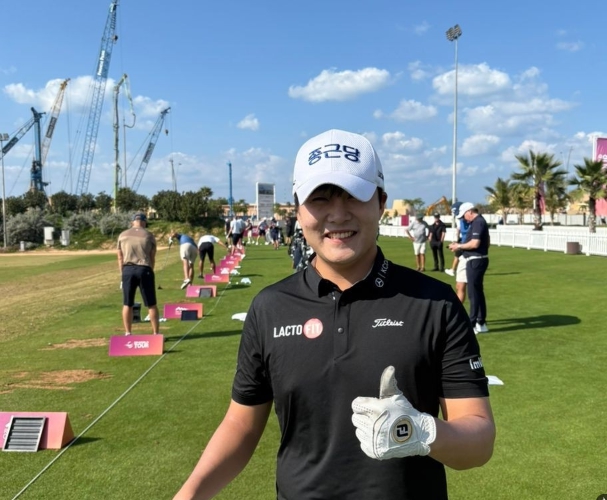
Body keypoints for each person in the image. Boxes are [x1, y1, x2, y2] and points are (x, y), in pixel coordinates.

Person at [173, 129, 495, 500]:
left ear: (380, 202)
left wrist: (422, 431)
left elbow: (479, 440)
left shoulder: (435, 303)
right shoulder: (270, 307)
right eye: (320, 198)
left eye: (354, 195)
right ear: (298, 210)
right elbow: (240, 426)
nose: (338, 215)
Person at [449, 202, 490, 334]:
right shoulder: (478, 221)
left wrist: (459, 246)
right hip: (478, 259)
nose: (464, 219)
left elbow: (475, 243)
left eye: (464, 216)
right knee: (478, 291)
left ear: (469, 212)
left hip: (475, 260)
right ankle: (481, 322)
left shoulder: (478, 222)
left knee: (473, 293)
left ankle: (472, 323)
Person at [116, 212, 160, 336]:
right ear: (144, 222)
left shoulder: (122, 235)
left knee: (127, 303)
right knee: (151, 304)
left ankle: (128, 332)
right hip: (144, 269)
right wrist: (150, 270)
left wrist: (122, 275)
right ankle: (156, 333)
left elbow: (120, 257)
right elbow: (152, 257)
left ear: (132, 222)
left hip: (127, 270)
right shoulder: (149, 235)